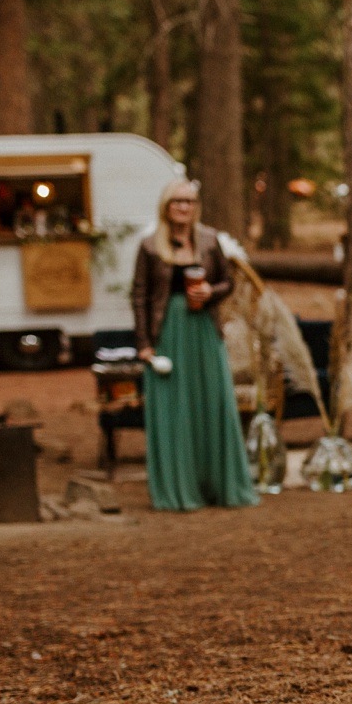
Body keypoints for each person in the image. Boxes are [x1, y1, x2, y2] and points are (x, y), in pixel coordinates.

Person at [130, 180, 257, 512]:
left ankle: (221, 486)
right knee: (175, 409)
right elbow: (139, 295)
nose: (183, 207)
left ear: (195, 206)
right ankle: (178, 489)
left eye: (189, 202)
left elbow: (227, 282)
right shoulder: (149, 245)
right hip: (167, 332)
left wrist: (210, 293)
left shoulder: (210, 240)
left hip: (203, 329)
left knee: (213, 403)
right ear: (166, 206)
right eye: (177, 202)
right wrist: (144, 345)